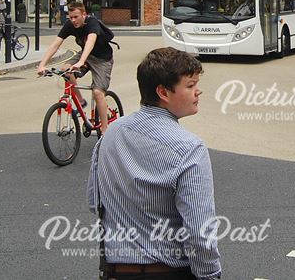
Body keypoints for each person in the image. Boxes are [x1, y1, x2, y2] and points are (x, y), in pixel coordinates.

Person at [88, 47, 222, 280]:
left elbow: (95, 202)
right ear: (163, 92)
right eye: (190, 86)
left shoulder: (111, 134)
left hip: (115, 270)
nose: (198, 92)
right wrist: (210, 274)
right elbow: (200, 233)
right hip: (168, 270)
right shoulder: (189, 148)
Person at [36, 1, 115, 133]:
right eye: (70, 17)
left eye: (76, 17)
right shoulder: (69, 25)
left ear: (84, 14)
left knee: (97, 92)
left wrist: (80, 62)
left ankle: (105, 131)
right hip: (84, 55)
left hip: (102, 60)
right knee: (64, 70)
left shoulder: (92, 23)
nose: (73, 20)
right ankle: (80, 100)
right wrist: (42, 65)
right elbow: (55, 45)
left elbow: (90, 41)